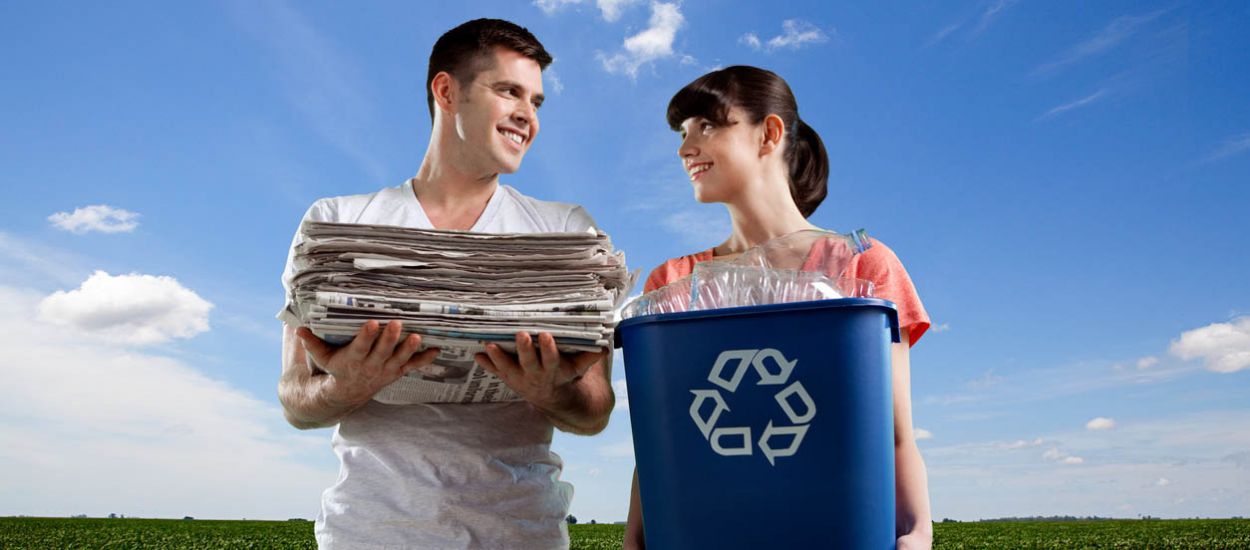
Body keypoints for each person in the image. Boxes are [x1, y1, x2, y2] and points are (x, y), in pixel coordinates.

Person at [276, 19, 614, 549]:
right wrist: (348, 386)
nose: (528, 115)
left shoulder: (567, 233)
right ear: (446, 91)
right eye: (508, 91)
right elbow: (295, 400)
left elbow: (595, 409)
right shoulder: (336, 223)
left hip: (521, 534)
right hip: (369, 533)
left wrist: (551, 393)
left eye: (537, 101)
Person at [623, 66, 933, 550]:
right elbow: (662, 446)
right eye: (683, 134)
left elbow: (892, 434)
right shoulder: (675, 282)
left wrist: (918, 533)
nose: (685, 148)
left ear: (768, 134)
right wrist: (636, 539)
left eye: (707, 125)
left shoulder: (862, 263)